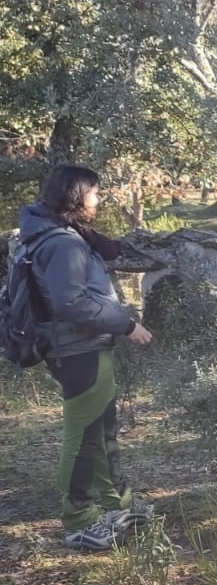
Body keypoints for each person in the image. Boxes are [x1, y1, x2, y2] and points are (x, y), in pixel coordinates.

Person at [19, 164, 154, 552]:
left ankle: (118, 504)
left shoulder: (60, 236)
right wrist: (125, 324)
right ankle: (78, 520)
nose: (98, 198)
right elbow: (71, 302)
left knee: (99, 430)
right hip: (78, 349)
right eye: (94, 192)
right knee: (82, 437)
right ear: (77, 196)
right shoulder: (63, 244)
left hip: (85, 347)